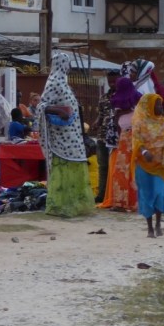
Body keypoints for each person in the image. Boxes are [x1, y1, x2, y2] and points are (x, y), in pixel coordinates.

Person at [32, 53, 96, 218]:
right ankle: (60, 205)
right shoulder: (53, 82)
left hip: (73, 134)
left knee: (75, 165)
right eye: (67, 63)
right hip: (60, 137)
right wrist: (59, 110)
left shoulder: (64, 83)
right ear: (62, 64)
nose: (69, 66)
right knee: (63, 168)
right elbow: (42, 105)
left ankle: (75, 203)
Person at [131, 93, 164, 238]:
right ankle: (149, 228)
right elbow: (136, 141)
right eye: (157, 104)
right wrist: (144, 151)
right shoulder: (140, 123)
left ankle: (158, 224)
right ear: (149, 106)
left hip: (159, 167)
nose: (160, 107)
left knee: (159, 194)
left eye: (160, 104)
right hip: (144, 166)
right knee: (146, 197)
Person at [99, 75, 141, 211]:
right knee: (133, 173)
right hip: (134, 142)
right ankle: (131, 202)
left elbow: (117, 127)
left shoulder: (118, 103)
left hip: (125, 142)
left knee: (122, 173)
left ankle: (122, 203)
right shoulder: (137, 100)